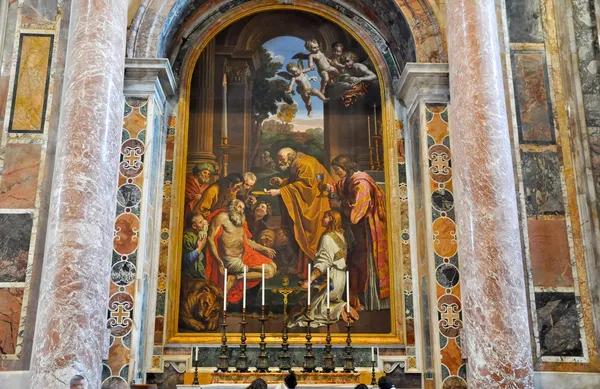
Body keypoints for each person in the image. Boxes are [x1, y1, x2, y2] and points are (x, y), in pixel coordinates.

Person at [327, 156, 389, 311]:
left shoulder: (361, 181)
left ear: (346, 167)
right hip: (355, 226)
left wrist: (340, 204)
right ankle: (353, 298)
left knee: (361, 261)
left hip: (364, 227)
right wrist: (330, 189)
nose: (336, 173)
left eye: (338, 170)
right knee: (353, 259)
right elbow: (340, 187)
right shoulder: (350, 178)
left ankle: (363, 298)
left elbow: (358, 209)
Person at [267, 147, 333, 279]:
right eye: (279, 160)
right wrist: (282, 182)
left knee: (309, 235)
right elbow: (297, 183)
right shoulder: (298, 162)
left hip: (315, 206)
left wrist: (280, 191)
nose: (279, 163)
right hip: (311, 203)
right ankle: (303, 269)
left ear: (290, 157)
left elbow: (307, 187)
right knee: (300, 233)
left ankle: (311, 272)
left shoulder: (306, 164)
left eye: (282, 160)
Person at [288, 210, 358, 328]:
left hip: (331, 279)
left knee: (309, 311)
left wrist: (309, 280)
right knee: (313, 302)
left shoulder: (326, 238)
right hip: (340, 280)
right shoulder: (340, 235)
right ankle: (341, 306)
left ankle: (341, 307)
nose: (321, 219)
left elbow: (323, 263)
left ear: (330, 219)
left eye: (324, 217)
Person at [205, 199, 277, 304]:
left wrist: (264, 249)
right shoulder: (222, 217)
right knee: (269, 272)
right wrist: (218, 261)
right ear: (231, 207)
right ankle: (235, 277)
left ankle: (237, 276)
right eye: (239, 207)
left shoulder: (241, 221)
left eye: (243, 208)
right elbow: (210, 238)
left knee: (273, 266)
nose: (241, 210)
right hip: (231, 259)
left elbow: (246, 241)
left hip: (244, 256)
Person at [181, 214, 209, 278]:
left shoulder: (198, 234)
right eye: (201, 222)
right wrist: (199, 248)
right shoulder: (187, 238)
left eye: (203, 220)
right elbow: (186, 261)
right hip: (190, 275)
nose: (204, 223)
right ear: (194, 226)